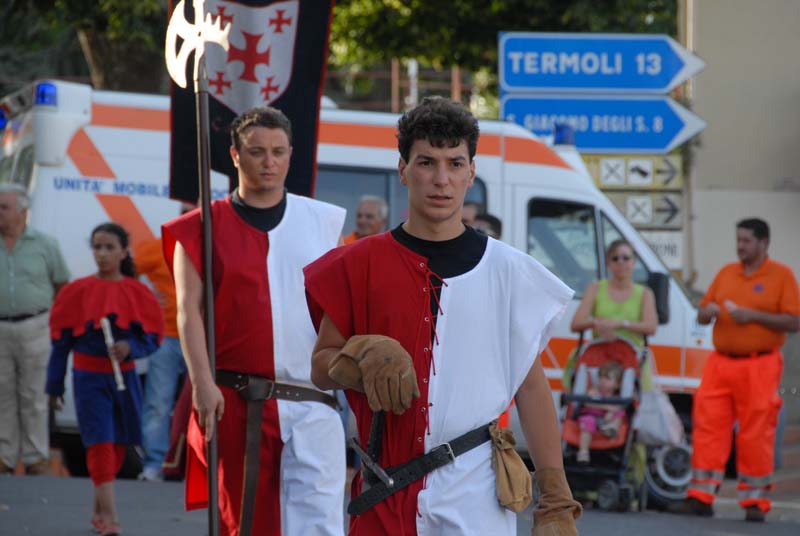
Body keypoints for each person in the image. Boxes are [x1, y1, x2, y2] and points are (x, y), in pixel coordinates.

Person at [304, 97, 581, 535]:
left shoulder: (509, 270)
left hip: (477, 493)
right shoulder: (357, 263)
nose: (441, 179)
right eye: (426, 162)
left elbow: (530, 386)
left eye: (455, 164)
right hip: (384, 488)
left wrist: (556, 497)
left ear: (472, 172)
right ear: (403, 169)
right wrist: (360, 357)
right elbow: (321, 368)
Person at [163, 106, 347, 536]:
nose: (269, 161)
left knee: (319, 524)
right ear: (235, 155)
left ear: (290, 155)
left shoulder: (324, 222)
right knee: (244, 525)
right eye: (258, 151)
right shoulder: (199, 227)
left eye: (278, 152)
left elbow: (345, 309)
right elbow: (187, 312)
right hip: (238, 397)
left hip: (312, 398)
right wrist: (203, 385)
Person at [669, 218, 799, 522]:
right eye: (738, 240)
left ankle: (755, 502)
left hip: (760, 363)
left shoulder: (781, 276)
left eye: (746, 241)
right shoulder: (727, 273)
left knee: (756, 432)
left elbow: (794, 322)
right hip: (720, 361)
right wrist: (708, 311)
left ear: (764, 243)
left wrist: (751, 316)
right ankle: (701, 496)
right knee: (708, 427)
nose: (740, 246)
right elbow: (702, 315)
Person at [46, 222, 163, 535]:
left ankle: (98, 511)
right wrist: (53, 386)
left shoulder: (137, 292)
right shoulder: (77, 291)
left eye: (109, 247)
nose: (102, 253)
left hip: (124, 379)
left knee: (119, 445)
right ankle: (110, 517)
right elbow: (61, 345)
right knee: (99, 442)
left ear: (124, 251)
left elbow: (151, 339)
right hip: (88, 378)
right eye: (97, 247)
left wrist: (130, 347)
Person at [0, 183, 70, 475]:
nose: (0, 213)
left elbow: (62, 284)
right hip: (1, 326)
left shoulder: (44, 244)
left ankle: (35, 457)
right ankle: (4, 456)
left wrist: (51, 320)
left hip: (35, 325)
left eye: (4, 207)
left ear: (22, 212)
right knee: (2, 393)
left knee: (34, 395)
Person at [134, 204, 194, 482]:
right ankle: (155, 463)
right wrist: (144, 299)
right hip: (167, 336)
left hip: (203, 338)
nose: (187, 215)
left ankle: (192, 464)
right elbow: (123, 273)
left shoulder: (212, 244)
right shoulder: (157, 246)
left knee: (204, 402)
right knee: (158, 401)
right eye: (184, 210)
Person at [570, 239, 658, 353]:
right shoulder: (595, 288)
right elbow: (576, 323)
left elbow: (651, 327)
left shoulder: (645, 293)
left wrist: (620, 324)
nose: (620, 262)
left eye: (626, 258)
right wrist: (597, 322)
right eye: (615, 258)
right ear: (608, 263)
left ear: (634, 262)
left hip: (633, 360)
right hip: (599, 359)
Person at [575, 360, 625, 463]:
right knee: (589, 420)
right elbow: (588, 403)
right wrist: (607, 408)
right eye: (600, 377)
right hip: (591, 416)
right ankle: (583, 451)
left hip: (605, 422)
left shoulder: (616, 398)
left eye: (607, 378)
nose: (602, 380)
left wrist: (611, 413)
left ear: (617, 384)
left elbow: (616, 410)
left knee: (620, 413)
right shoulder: (595, 391)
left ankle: (612, 428)